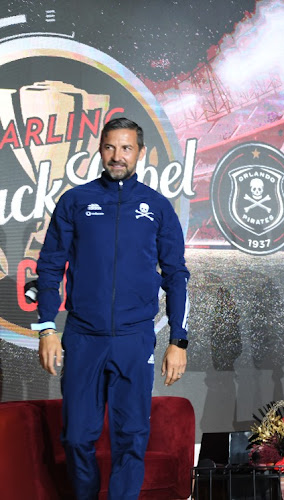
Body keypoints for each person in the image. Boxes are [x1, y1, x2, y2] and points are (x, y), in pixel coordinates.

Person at [33, 117, 190, 500]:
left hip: (134, 338)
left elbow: (176, 275)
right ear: (100, 150)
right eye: (109, 147)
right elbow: (50, 267)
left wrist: (178, 341)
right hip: (83, 336)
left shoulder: (156, 207)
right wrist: (47, 328)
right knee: (76, 437)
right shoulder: (75, 201)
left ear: (140, 152)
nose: (117, 156)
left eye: (126, 148)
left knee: (131, 437)